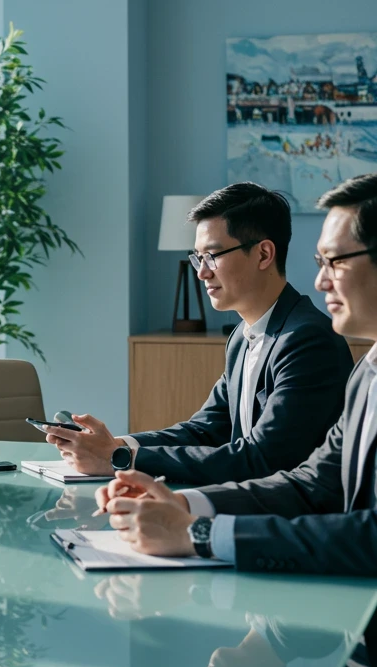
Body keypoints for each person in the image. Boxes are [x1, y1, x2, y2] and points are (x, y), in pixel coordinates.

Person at [95, 172, 377, 667]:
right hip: (350, 638)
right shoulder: (369, 369)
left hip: (364, 655)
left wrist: (207, 540)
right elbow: (314, 482)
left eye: (334, 260)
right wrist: (188, 511)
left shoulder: (325, 351)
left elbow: (370, 531)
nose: (317, 277)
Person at [47, 183, 352, 486]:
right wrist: (112, 445)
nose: (202, 272)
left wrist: (119, 458)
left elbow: (263, 458)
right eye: (198, 258)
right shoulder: (241, 339)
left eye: (213, 256)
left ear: (263, 254)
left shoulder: (307, 340)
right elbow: (203, 431)